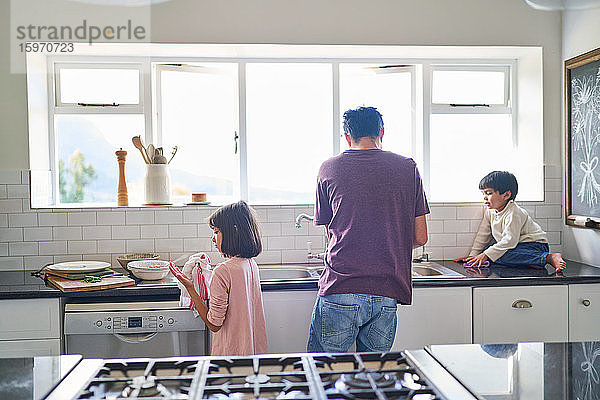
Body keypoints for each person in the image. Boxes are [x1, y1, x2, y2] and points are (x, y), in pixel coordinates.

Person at [307, 106, 429, 353]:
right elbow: (420, 237)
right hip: (387, 292)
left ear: (347, 136)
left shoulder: (329, 168)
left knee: (323, 376)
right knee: (374, 380)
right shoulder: (408, 168)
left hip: (341, 287)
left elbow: (330, 232)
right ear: (381, 132)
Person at [169, 200, 268, 356]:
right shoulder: (250, 264)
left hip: (231, 355)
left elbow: (214, 324)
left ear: (233, 231)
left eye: (216, 232)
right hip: (253, 352)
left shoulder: (223, 271)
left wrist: (190, 287)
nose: (213, 238)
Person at [456, 171, 566, 271]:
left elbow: (510, 240)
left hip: (534, 245)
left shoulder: (514, 212)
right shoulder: (490, 212)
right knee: (489, 251)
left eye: (488, 193)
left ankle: (548, 257)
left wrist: (486, 255)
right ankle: (531, 262)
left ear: (506, 195)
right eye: (483, 193)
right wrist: (473, 256)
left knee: (498, 255)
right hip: (515, 247)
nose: (485, 197)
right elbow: (483, 235)